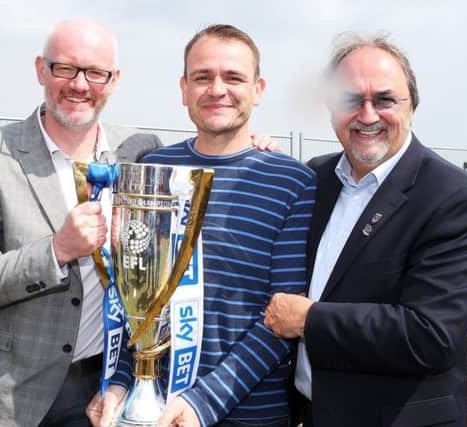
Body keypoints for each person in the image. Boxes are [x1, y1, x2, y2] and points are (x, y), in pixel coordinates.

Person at [87, 24, 316, 427]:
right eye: (202, 77)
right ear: (183, 88)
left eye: (234, 77)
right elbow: (134, 298)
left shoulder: (293, 183)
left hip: (249, 413)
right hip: (149, 409)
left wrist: (202, 404)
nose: (217, 89)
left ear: (258, 89)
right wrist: (122, 383)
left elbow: (282, 317)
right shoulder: (152, 172)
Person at [264, 33, 467, 426]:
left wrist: (308, 320)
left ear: (412, 107)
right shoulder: (315, 178)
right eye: (351, 100)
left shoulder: (455, 198)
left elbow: (430, 335)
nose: (367, 115)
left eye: (384, 99)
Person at [0, 18, 163, 426]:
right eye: (65, 68)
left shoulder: (140, 150)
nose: (80, 84)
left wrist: (255, 144)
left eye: (95, 72)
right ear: (41, 69)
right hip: (8, 398)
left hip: (105, 388)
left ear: (113, 80)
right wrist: (57, 250)